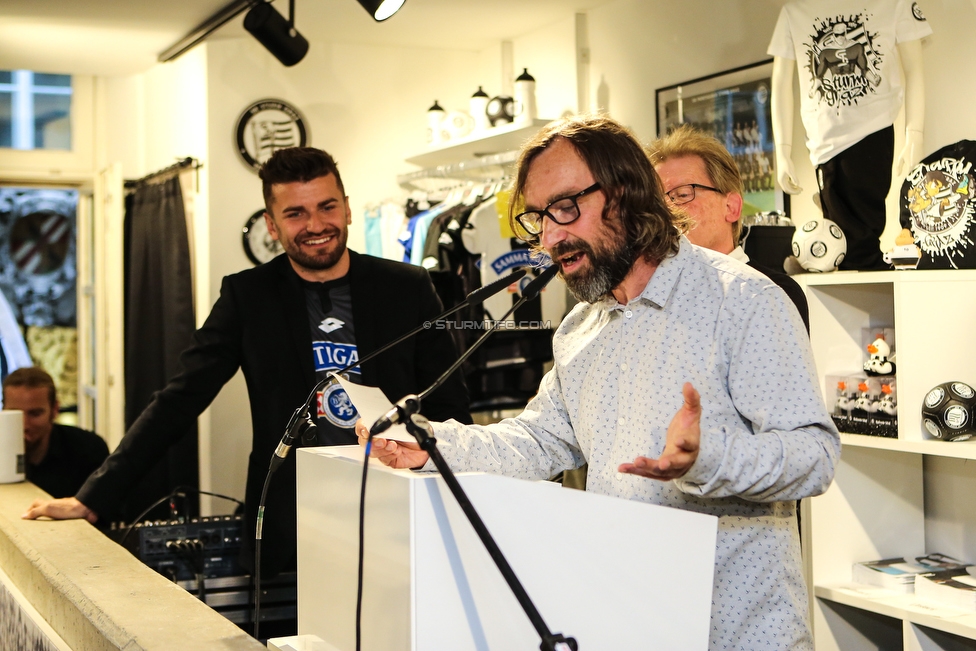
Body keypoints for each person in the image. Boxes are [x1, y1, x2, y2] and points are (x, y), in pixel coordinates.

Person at [359, 114, 840, 651]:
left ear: (629, 194)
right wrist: (429, 443)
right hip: (629, 622)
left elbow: (814, 454)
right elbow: (539, 440)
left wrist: (707, 461)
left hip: (735, 635)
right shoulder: (578, 331)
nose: (551, 236)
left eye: (567, 207)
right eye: (538, 218)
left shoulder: (744, 300)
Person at [22, 147, 472, 578]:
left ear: (348, 209)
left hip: (395, 503)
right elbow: (179, 400)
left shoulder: (406, 287)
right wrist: (94, 496)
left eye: (327, 207)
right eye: (295, 213)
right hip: (290, 514)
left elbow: (450, 402)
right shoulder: (248, 296)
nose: (316, 224)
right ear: (271, 225)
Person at [768, 0, 931, 270]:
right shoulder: (794, 12)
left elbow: (915, 69)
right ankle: (825, 261)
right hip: (824, 140)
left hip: (873, 130)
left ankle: (843, 264)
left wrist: (915, 134)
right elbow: (780, 82)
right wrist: (782, 152)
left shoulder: (893, 4)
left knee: (862, 231)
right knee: (842, 229)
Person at [648, 124, 810, 331]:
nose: (668, 210)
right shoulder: (651, 294)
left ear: (731, 207)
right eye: (657, 202)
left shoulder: (773, 292)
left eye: (682, 195)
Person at [3, 367, 109, 498]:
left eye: (35, 414)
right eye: (15, 414)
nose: (24, 424)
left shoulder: (88, 450)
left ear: (55, 409)